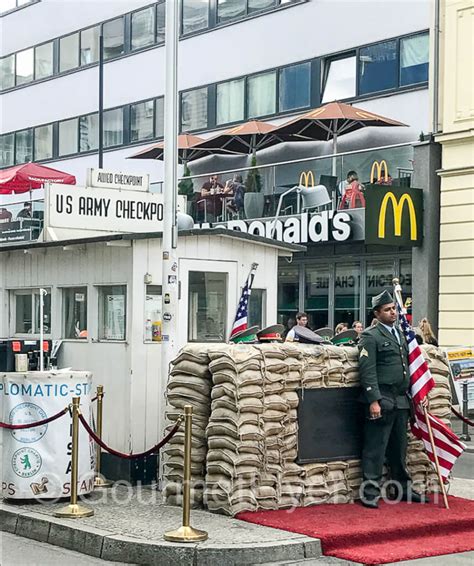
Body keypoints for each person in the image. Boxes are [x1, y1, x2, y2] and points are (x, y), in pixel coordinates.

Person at [358, 290, 428, 508]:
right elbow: (367, 370)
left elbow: (408, 365)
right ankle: (370, 492)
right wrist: (373, 400)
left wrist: (417, 394)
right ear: (377, 313)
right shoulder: (371, 336)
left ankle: (403, 488)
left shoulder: (400, 333)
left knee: (399, 448)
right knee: (376, 448)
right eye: (387, 309)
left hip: (401, 399)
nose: (393, 312)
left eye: (394, 309)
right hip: (383, 397)